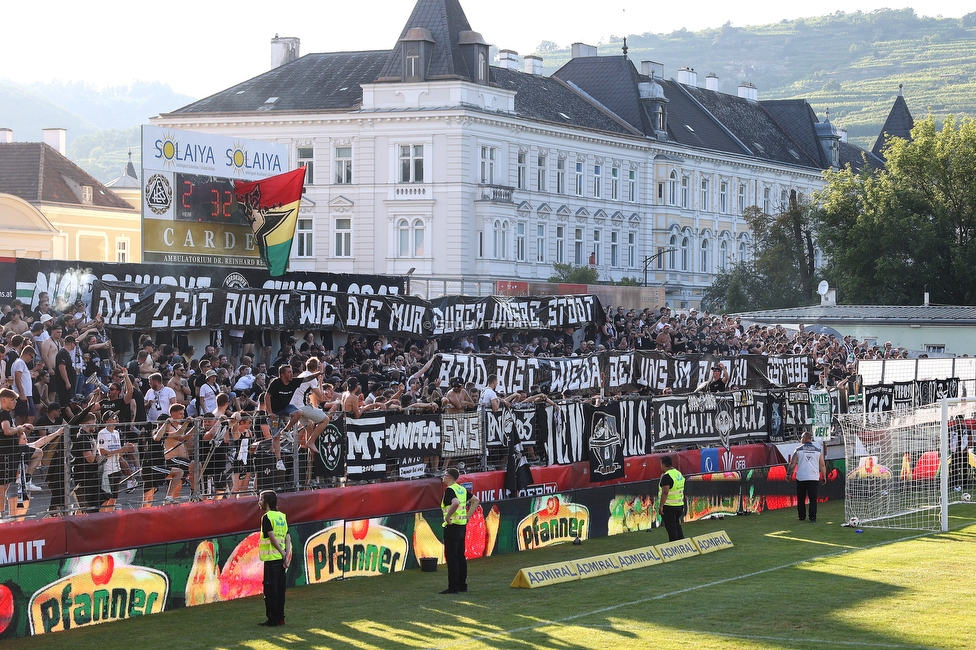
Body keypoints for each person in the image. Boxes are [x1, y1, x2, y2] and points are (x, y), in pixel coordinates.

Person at [440, 467, 480, 594]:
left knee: (452, 557)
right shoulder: (461, 489)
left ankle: (453, 586)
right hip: (462, 526)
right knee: (461, 557)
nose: (443, 477)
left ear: (450, 478)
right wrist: (468, 517)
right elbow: (476, 500)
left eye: (445, 475)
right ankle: (462, 585)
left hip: (452, 526)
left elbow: (455, 503)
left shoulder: (450, 490)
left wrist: (447, 517)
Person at [258, 489, 291, 627]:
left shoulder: (267, 517)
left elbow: (271, 537)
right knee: (280, 590)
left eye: (260, 499)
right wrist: (286, 555)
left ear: (266, 502)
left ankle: (272, 619)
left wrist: (283, 554)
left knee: (271, 591)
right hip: (281, 559)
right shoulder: (282, 516)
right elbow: (287, 536)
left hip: (272, 559)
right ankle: (280, 617)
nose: (259, 502)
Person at [787, 431, 827, 523]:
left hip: (801, 477)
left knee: (801, 498)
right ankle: (812, 517)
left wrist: (788, 473)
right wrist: (824, 476)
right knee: (813, 499)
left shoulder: (798, 450)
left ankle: (802, 516)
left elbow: (792, 463)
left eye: (801, 437)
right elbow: (822, 465)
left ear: (804, 438)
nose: (801, 439)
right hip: (813, 478)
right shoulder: (817, 451)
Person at [657, 455, 685, 541]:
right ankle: (682, 543)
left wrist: (661, 506)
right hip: (679, 504)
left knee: (671, 528)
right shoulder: (678, 473)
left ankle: (674, 546)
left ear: (663, 464)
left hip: (669, 506)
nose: (660, 466)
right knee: (677, 525)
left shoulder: (667, 476)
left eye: (660, 464)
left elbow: (665, 492)